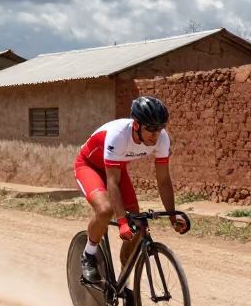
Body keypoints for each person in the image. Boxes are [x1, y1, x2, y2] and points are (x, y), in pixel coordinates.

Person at [75, 96, 190, 294]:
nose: (156, 134)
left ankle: (121, 283)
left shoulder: (162, 139)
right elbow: (112, 182)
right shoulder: (118, 135)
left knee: (139, 226)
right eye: (151, 129)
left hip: (116, 167)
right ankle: (88, 254)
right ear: (136, 124)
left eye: (160, 128)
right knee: (105, 210)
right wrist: (121, 222)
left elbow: (163, 180)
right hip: (90, 166)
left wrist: (172, 215)